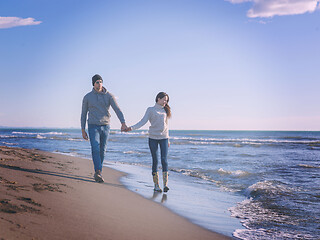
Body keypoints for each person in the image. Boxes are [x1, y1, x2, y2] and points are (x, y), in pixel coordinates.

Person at [81, 74, 128, 183]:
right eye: (97, 82)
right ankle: (98, 171)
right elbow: (83, 114)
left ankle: (99, 171)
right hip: (93, 126)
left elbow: (117, 109)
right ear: (93, 84)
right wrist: (83, 130)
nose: (99, 84)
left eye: (101, 81)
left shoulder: (109, 96)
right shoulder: (87, 97)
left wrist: (123, 123)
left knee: (103, 150)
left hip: (106, 126)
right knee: (95, 148)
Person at [126, 92, 171, 192]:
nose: (165, 102)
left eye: (166, 100)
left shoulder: (165, 110)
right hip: (153, 138)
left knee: (164, 160)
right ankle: (156, 185)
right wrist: (131, 128)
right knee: (155, 160)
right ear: (158, 99)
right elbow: (143, 121)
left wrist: (168, 139)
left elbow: (167, 126)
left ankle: (165, 185)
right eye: (164, 99)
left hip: (164, 138)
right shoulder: (150, 110)